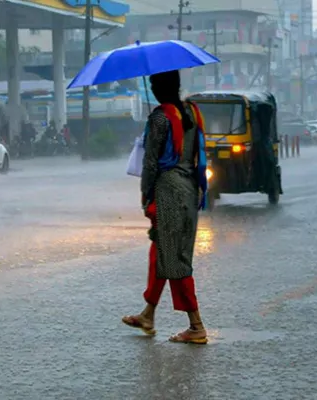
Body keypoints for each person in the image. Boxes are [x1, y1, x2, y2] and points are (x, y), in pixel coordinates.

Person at [122, 70, 209, 344]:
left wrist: (146, 194)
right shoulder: (192, 112)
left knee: (173, 258)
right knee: (162, 251)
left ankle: (196, 325)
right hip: (189, 188)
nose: (153, 88)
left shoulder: (160, 117)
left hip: (168, 190)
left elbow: (150, 163)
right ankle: (148, 313)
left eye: (153, 84)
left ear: (160, 88)